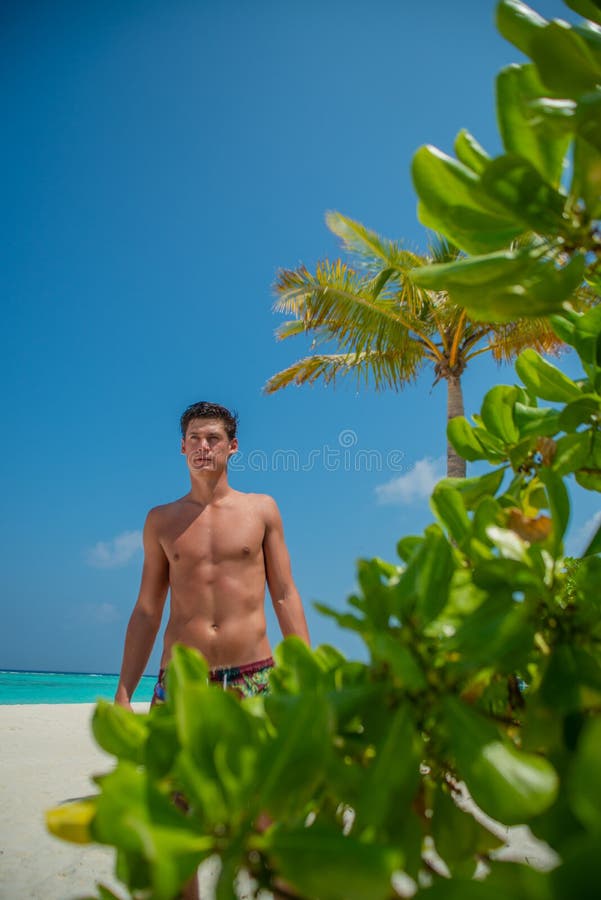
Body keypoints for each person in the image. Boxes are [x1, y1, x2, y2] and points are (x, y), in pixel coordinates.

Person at [114, 400, 310, 899]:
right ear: (182, 448)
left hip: (255, 678)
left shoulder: (261, 509)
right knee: (175, 824)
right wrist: (123, 690)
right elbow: (146, 610)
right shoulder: (160, 520)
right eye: (195, 439)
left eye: (214, 438)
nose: (204, 447)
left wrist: (308, 672)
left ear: (232, 447)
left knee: (269, 816)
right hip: (182, 686)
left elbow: (284, 594)